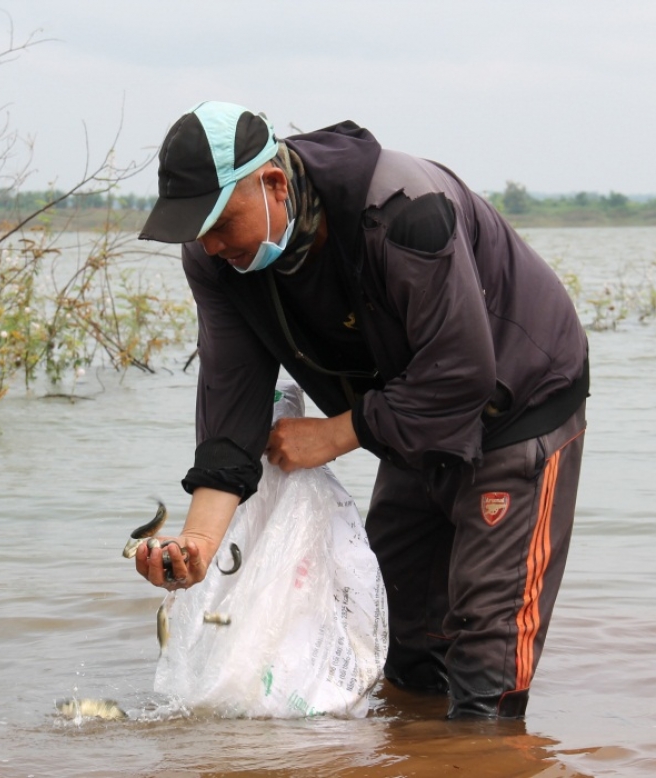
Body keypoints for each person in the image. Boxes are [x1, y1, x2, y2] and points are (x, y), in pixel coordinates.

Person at [134, 101, 588, 719]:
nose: (210, 245)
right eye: (195, 231)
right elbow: (231, 400)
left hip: (517, 401)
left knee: (488, 659)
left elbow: (462, 374)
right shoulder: (220, 263)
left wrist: (336, 434)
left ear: (271, 184)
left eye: (219, 222)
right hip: (402, 406)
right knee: (395, 639)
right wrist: (199, 543)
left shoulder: (403, 211)